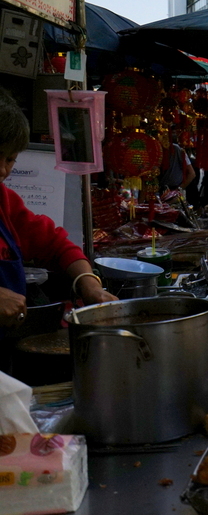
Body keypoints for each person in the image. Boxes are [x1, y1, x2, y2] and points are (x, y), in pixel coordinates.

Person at [0, 88, 116, 332]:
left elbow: (56, 245)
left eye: (10, 159)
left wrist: (90, 285)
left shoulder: (5, 202)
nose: (3, 170)